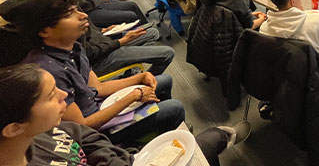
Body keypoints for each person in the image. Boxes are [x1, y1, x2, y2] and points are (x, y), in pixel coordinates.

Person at [4, 0, 184, 145]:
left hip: (98, 105)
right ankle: (160, 140)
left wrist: (140, 77)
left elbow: (97, 87)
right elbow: (83, 126)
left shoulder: (73, 47)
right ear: (44, 31)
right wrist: (134, 95)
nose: (83, 16)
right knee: (174, 108)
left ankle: (159, 130)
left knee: (163, 80)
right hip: (96, 132)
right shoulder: (48, 71)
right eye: (70, 15)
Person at [0, 63, 248, 166]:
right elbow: (88, 130)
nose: (64, 95)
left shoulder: (47, 131)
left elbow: (89, 137)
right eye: (50, 96)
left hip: (127, 159)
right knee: (210, 137)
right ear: (13, 128)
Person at [22, 0, 173, 76]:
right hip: (96, 59)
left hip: (100, 42)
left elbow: (85, 31)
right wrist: (120, 42)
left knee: (151, 32)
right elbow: (85, 52)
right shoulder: (49, 8)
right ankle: (142, 81)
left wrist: (103, 31)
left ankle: (131, 72)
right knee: (167, 52)